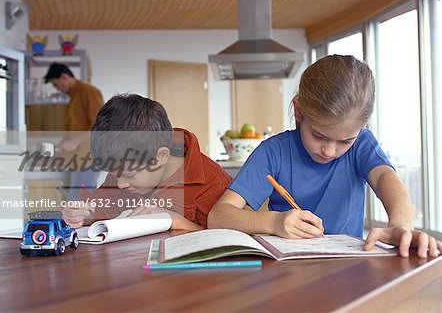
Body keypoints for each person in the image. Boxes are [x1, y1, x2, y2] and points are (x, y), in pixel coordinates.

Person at [208, 55, 442, 258]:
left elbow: (385, 179)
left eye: (345, 141)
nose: (329, 151)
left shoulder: (362, 144)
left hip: (346, 270)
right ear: (298, 111)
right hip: (287, 270)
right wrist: (274, 222)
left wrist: (401, 225)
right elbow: (218, 217)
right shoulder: (273, 152)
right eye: (318, 136)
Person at [61, 94, 232, 230]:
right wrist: (80, 214)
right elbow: (101, 207)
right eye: (114, 174)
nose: (120, 184)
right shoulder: (125, 169)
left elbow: (229, 242)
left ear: (161, 156)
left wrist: (176, 221)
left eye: (130, 175)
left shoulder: (212, 184)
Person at [44, 63, 104, 200]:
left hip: (89, 158)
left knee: (80, 202)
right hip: (77, 159)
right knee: (74, 202)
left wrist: (74, 142)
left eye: (56, 84)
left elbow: (101, 127)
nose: (57, 89)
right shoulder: (73, 97)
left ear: (64, 77)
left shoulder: (89, 92)